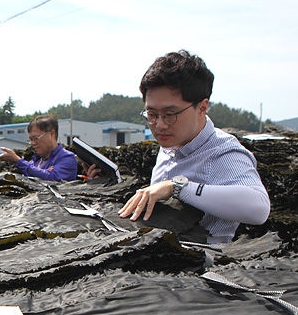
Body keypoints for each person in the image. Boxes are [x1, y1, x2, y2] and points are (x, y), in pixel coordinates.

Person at [115, 50, 270, 243]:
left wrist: (177, 187)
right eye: (152, 114)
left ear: (202, 107)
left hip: (204, 261)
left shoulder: (223, 152)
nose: (160, 124)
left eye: (170, 114)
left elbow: (259, 208)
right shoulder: (170, 144)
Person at [0, 114, 78, 181]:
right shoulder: (35, 160)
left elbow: (53, 178)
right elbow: (34, 177)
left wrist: (18, 161)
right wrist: (43, 173)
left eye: (36, 138)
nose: (33, 143)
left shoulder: (67, 158)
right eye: (30, 139)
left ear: (52, 134)